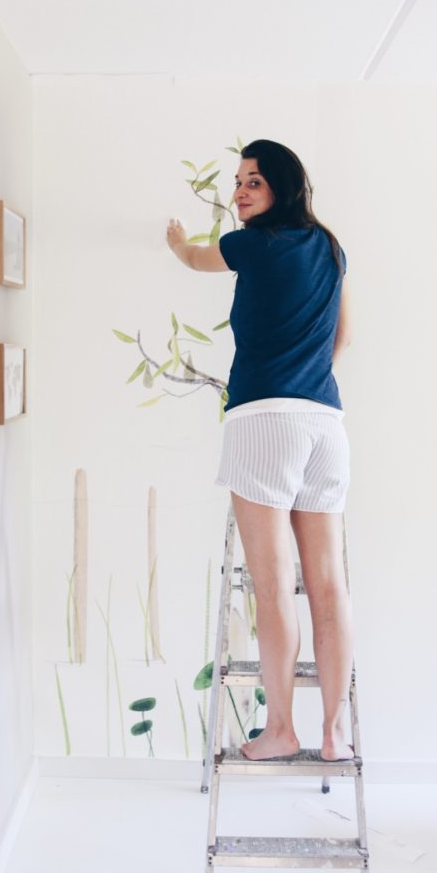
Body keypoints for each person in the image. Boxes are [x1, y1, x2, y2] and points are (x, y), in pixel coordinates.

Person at [166, 138, 353, 763]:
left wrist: (173, 240)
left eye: (254, 182)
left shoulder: (253, 242)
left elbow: (196, 258)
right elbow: (341, 337)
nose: (241, 192)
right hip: (325, 421)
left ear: (281, 189)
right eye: (239, 181)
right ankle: (333, 733)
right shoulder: (329, 246)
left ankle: (281, 730)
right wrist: (302, 370)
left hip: (263, 418)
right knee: (328, 586)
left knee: (273, 587)